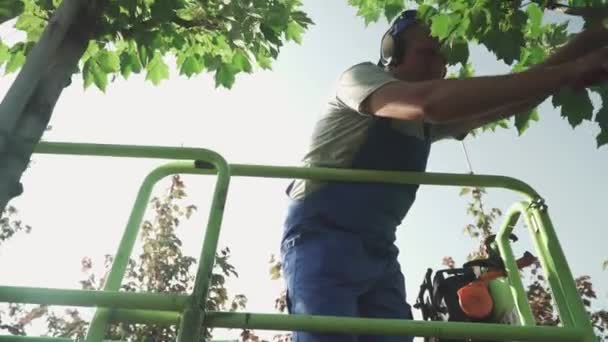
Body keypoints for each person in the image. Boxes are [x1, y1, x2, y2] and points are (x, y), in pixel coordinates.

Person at [279, 8, 608, 342]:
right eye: (427, 53)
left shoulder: (423, 123)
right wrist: (575, 69)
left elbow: (513, 103)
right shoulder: (360, 79)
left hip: (379, 251)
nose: (437, 65)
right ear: (391, 53)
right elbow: (430, 103)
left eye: (442, 57)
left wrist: (588, 42)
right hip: (321, 238)